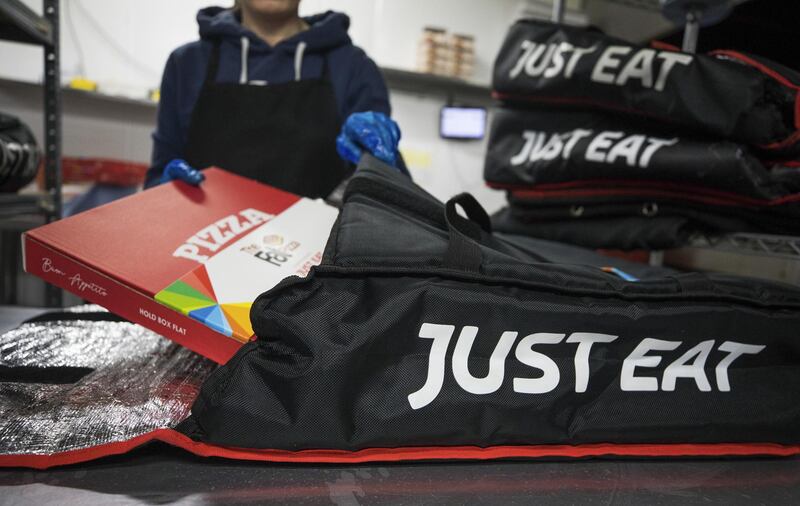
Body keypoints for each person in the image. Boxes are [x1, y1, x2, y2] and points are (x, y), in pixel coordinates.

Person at [145, 0, 405, 197]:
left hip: (316, 260)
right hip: (201, 257)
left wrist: (383, 167)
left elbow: (382, 197)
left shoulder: (353, 67)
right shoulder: (187, 64)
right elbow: (158, 176)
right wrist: (165, 192)